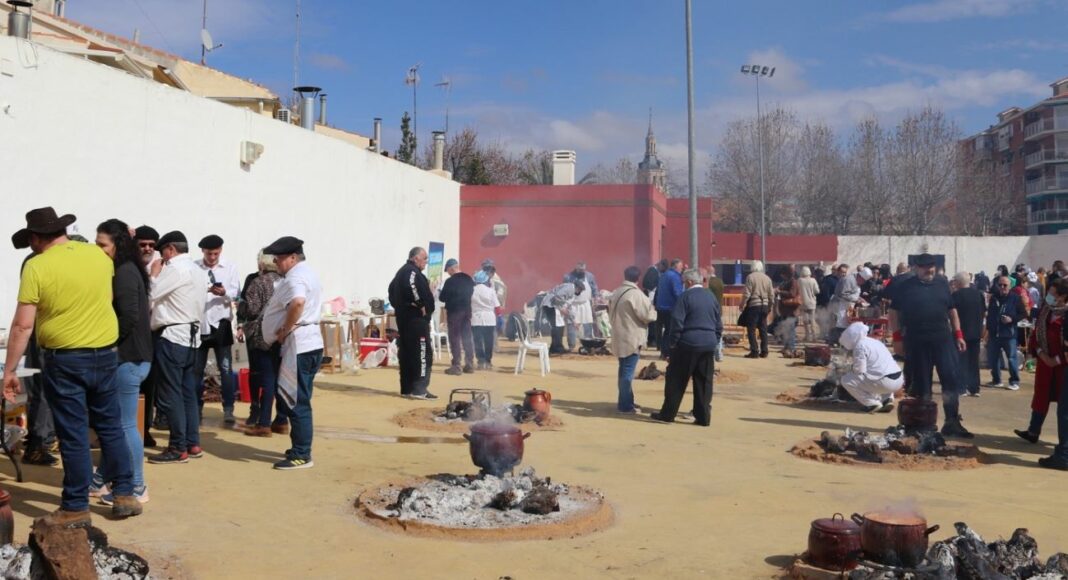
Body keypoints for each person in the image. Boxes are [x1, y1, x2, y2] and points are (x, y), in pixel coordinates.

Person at [2, 207, 141, 524]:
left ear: (36, 238)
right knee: (109, 426)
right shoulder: (99, 257)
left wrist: (10, 371)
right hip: (105, 353)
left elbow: (23, 326)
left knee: (74, 433)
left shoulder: (37, 266)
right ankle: (124, 493)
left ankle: (76, 506)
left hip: (65, 358)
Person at [90, 219, 153, 505]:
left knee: (125, 425)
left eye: (102, 244)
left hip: (128, 358)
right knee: (116, 425)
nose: (98, 249)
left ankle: (137, 485)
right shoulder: (126, 269)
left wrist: (109, 345)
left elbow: (128, 316)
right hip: (132, 357)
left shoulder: (125, 272)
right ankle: (100, 479)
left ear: (118, 244)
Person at [888, 253, 972, 438]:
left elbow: (952, 310)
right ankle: (923, 423)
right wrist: (897, 339)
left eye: (932, 266)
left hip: (943, 340)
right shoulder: (905, 286)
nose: (929, 269)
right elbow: (893, 313)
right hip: (917, 341)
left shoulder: (942, 283)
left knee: (950, 380)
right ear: (916, 268)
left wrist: (958, 334)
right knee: (922, 384)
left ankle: (952, 421)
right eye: (925, 266)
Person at [260, 236, 324, 470]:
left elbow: (297, 302)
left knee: (297, 401)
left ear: (293, 257)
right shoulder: (307, 273)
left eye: (279, 258)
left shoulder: (296, 276)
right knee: (297, 398)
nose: (276, 262)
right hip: (308, 342)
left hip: (300, 344)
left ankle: (301, 454)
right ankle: (299, 446)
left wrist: (285, 329)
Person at [147, 231, 209, 464]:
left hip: (173, 334)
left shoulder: (174, 268)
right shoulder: (197, 270)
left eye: (163, 252)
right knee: (187, 393)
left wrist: (154, 275)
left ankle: (177, 446)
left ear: (170, 249)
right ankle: (191, 442)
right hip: (192, 335)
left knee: (170, 393)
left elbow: (151, 294)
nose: (162, 258)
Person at [651, 269, 721, 426]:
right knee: (704, 382)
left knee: (676, 381)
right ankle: (703, 417)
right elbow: (718, 323)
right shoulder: (711, 297)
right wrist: (714, 340)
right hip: (707, 345)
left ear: (689, 282)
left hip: (687, 344)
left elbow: (677, 323)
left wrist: (673, 344)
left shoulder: (685, 297)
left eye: (683, 282)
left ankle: (668, 415)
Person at [193, 235, 241, 424]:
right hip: (201, 322)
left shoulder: (230, 267)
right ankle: (196, 408)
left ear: (221, 251)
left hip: (221, 322)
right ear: (202, 252)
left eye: (216, 253)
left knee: (226, 368)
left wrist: (224, 293)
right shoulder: (195, 267)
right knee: (197, 370)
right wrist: (205, 290)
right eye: (209, 253)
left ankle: (228, 408)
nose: (212, 257)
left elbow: (236, 292)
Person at [1014, 278, 1068, 446]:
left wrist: (1056, 360)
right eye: (1049, 293)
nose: (1049, 297)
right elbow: (1036, 333)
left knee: (1064, 405)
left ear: (1063, 296)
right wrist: (1039, 353)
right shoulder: (1046, 310)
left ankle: (1064, 443)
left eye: (1053, 294)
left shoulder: (1066, 315)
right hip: (1045, 363)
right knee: (1040, 398)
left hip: (1063, 366)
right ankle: (1033, 431)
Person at [238, 252, 285, 437]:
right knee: (280, 377)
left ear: (262, 265)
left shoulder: (259, 282)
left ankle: (263, 422)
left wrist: (240, 307)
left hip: (261, 335)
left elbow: (252, 309)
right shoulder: (286, 282)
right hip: (282, 334)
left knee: (265, 378)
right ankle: (281, 419)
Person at [389, 247, 437, 400]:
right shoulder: (411, 272)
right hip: (415, 321)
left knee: (407, 353)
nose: (426, 262)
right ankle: (419, 389)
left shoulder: (402, 272)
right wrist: (420, 304)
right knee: (422, 353)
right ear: (415, 258)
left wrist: (400, 305)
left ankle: (407, 388)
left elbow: (391, 291)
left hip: (406, 319)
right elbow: (411, 286)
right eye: (424, 259)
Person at [609, 266, 657, 414]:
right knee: (627, 373)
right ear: (638, 278)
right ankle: (625, 406)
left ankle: (625, 401)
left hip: (619, 335)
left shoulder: (616, 292)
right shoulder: (636, 294)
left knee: (623, 370)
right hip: (632, 337)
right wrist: (654, 312)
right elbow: (648, 316)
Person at [837, 322, 902, 413]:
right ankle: (887, 399)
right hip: (898, 380)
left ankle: (871, 403)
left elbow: (860, 370)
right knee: (879, 372)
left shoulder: (859, 346)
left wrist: (848, 370)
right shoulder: (875, 341)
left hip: (885, 382)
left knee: (846, 380)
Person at [985, 275, 1026, 390]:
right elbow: (990, 315)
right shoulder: (994, 298)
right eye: (1000, 285)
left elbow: (1023, 314)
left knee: (1012, 358)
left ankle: (1014, 381)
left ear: (1010, 286)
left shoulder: (1015, 298)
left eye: (1005, 285)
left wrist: (1011, 319)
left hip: (1009, 334)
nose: (1002, 287)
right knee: (994, 358)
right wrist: (987, 331)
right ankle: (997, 380)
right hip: (994, 334)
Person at [438, 259, 475, 375]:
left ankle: (456, 365)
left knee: (454, 338)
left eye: (448, 270)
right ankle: (469, 364)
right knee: (467, 337)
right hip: (467, 311)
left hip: (454, 312)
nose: (448, 273)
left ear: (451, 268)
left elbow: (442, 297)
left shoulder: (450, 281)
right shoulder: (469, 279)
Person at [952, 272, 985, 398]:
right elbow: (983, 313)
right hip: (976, 332)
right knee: (973, 362)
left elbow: (952, 315)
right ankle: (974, 388)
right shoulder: (979, 295)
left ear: (959, 282)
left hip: (961, 333)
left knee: (961, 361)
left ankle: (962, 388)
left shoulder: (956, 295)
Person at [742, 260, 773, 358]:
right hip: (764, 305)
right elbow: (771, 295)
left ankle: (754, 351)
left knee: (751, 329)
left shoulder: (750, 277)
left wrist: (742, 304)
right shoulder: (767, 278)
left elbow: (747, 293)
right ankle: (765, 351)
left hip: (754, 305)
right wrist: (770, 306)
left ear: (752, 267)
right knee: (763, 329)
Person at [541, 281, 582, 354]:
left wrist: (574, 322)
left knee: (558, 326)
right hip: (551, 305)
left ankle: (554, 348)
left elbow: (568, 309)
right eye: (580, 290)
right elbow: (557, 296)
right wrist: (561, 308)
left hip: (554, 307)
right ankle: (558, 349)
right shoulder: (570, 287)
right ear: (578, 288)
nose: (580, 292)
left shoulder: (572, 294)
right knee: (557, 327)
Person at [470, 271, 500, 370]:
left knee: (477, 341)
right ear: (486, 280)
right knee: (488, 341)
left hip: (475, 318)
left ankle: (481, 361)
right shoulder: (491, 291)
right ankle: (488, 361)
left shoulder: (471, 290)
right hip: (489, 319)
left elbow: (467, 305)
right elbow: (497, 307)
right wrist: (499, 317)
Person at [654, 259, 684, 359]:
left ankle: (662, 351)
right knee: (670, 331)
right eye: (681, 267)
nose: (681, 269)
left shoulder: (663, 275)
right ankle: (667, 353)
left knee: (664, 330)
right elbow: (677, 293)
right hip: (670, 307)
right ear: (676, 267)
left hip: (661, 307)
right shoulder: (675, 277)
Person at [828, 263, 863, 345]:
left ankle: (840, 340)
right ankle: (833, 341)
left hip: (845, 305)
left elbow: (850, 292)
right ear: (838, 272)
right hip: (835, 303)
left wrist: (858, 298)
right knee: (834, 322)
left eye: (845, 272)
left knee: (843, 322)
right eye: (842, 272)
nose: (843, 274)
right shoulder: (831, 279)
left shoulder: (848, 280)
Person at [564, 262, 598, 343]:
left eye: (583, 270)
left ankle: (588, 343)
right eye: (580, 270)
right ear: (576, 269)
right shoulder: (568, 277)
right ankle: (571, 346)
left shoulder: (589, 276)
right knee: (572, 325)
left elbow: (594, 287)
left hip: (585, 303)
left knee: (588, 324)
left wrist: (596, 297)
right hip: (573, 304)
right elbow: (565, 290)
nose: (582, 271)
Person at [776, 265, 801, 357]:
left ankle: (791, 348)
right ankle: (786, 347)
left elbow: (792, 293)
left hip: (791, 310)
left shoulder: (793, 282)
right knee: (786, 329)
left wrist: (780, 292)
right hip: (786, 310)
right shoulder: (786, 282)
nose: (781, 276)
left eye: (782, 274)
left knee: (790, 330)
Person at [643, 260, 667, 347]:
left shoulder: (655, 271)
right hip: (651, 299)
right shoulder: (653, 271)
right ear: (660, 265)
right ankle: (652, 339)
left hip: (654, 298)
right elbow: (647, 284)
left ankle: (653, 340)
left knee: (655, 321)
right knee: (653, 321)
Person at [706, 265, 726, 361]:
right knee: (718, 331)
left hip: (709, 310)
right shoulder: (720, 282)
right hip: (719, 309)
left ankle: (712, 352)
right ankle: (719, 352)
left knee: (710, 331)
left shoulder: (708, 283)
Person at [798, 266, 819, 343]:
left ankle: (807, 336)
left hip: (804, 303)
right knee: (812, 320)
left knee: (805, 321)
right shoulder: (813, 280)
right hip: (812, 303)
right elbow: (817, 291)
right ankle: (814, 337)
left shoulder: (800, 280)